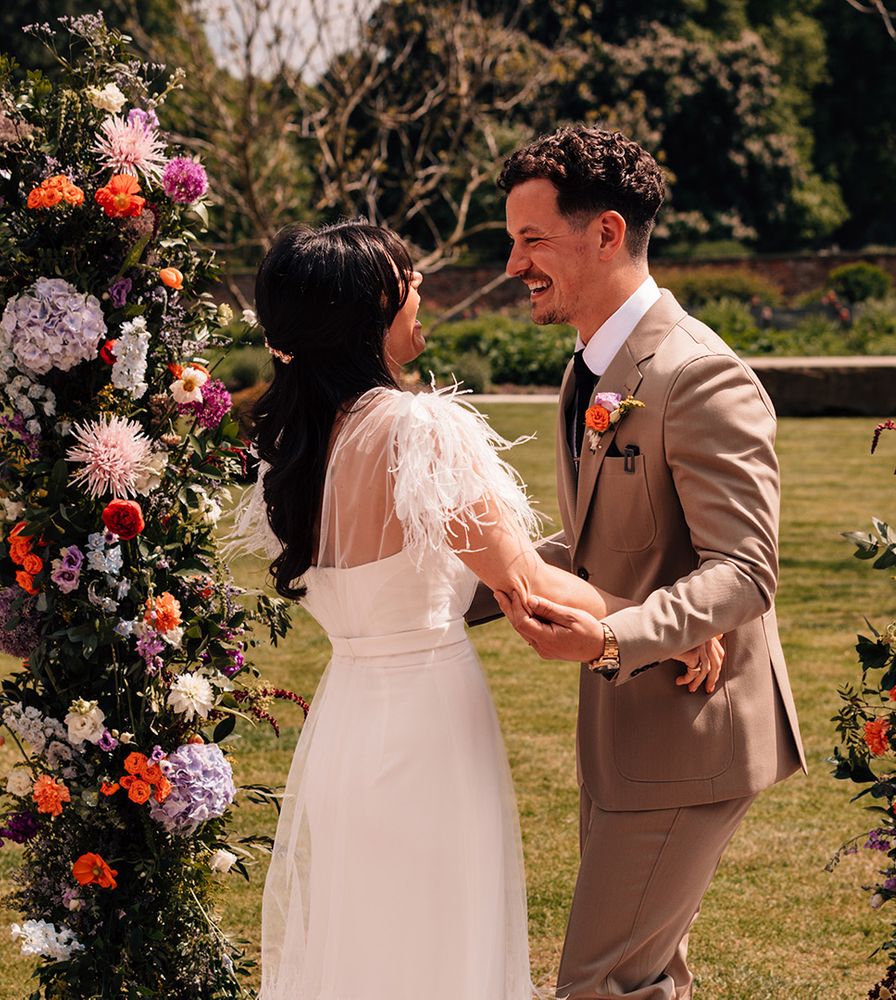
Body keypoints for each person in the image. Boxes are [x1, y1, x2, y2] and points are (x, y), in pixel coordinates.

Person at [238, 220, 722, 1000]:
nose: (423, 288)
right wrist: (669, 627)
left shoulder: (293, 442)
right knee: (436, 938)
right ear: (372, 306)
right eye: (408, 278)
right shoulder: (414, 430)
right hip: (426, 728)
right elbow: (523, 577)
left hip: (347, 724)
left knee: (366, 942)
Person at [489, 126, 807, 1000]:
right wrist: (460, 581)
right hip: (628, 741)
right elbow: (590, 544)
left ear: (606, 232)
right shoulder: (586, 371)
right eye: (511, 241)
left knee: (596, 983)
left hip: (689, 734)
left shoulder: (699, 375)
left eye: (532, 240)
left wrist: (611, 637)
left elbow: (744, 570)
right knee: (645, 979)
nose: (514, 265)